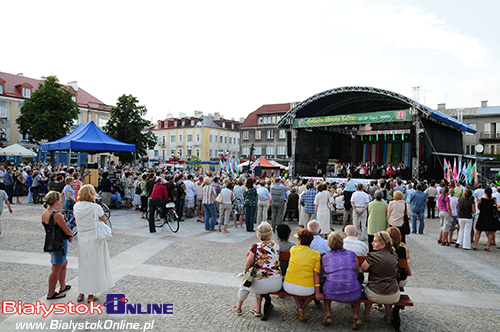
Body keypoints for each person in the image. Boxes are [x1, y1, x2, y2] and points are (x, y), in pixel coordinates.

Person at [73, 185, 114, 303]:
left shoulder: (76, 206)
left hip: (82, 237)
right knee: (94, 265)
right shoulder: (95, 207)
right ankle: (90, 294)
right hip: (94, 239)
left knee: (83, 264)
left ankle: (81, 292)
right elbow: (104, 222)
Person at [233, 222, 282, 317]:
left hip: (261, 283)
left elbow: (246, 266)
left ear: (258, 234)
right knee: (258, 278)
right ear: (270, 233)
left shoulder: (256, 247)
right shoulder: (276, 244)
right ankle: (257, 308)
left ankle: (238, 307)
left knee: (247, 281)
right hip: (276, 282)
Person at [322, 231, 362, 329]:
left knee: (326, 292)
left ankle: (328, 313)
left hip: (331, 291)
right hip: (352, 292)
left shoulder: (325, 257)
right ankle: (356, 315)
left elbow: (326, 273)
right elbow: (357, 273)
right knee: (356, 295)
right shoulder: (352, 255)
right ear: (342, 242)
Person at [283, 229, 323, 322]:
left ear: (299, 240)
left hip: (288, 285)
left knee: (296, 286)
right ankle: (302, 307)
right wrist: (317, 292)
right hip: (306, 289)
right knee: (310, 292)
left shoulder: (293, 249)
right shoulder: (316, 254)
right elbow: (316, 274)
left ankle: (299, 306)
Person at [361, 231, 400, 324]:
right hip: (393, 293)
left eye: (375, 241)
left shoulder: (372, 256)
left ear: (383, 245)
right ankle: (389, 316)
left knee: (367, 288)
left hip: (374, 293)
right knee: (387, 289)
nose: (372, 243)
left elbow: (363, 268)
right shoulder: (395, 256)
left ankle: (366, 315)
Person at [41, 191, 73, 300]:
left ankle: (62, 286)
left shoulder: (46, 212)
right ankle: (51, 293)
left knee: (63, 263)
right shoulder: (56, 215)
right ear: (56, 201)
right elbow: (66, 229)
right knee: (56, 268)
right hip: (59, 243)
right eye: (60, 199)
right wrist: (71, 234)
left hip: (51, 241)